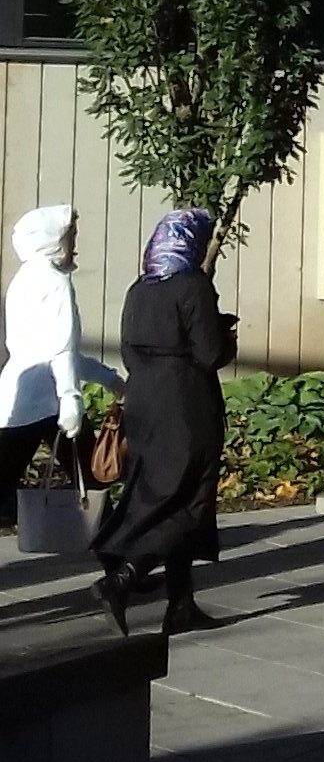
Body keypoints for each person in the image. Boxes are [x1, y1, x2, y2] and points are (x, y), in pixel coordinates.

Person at [96, 206, 235, 636]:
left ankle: (181, 603)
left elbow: (131, 351)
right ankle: (124, 578)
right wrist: (227, 336)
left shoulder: (139, 289)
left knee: (156, 489)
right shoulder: (193, 285)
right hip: (186, 404)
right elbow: (210, 353)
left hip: (145, 401)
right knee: (190, 499)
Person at [0, 204, 93, 509]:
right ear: (52, 239)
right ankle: (119, 551)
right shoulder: (55, 281)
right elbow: (61, 348)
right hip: (51, 399)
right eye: (71, 236)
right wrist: (71, 399)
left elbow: (39, 347)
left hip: (17, 398)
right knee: (94, 477)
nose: (75, 244)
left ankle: (117, 550)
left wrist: (108, 378)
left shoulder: (23, 279)